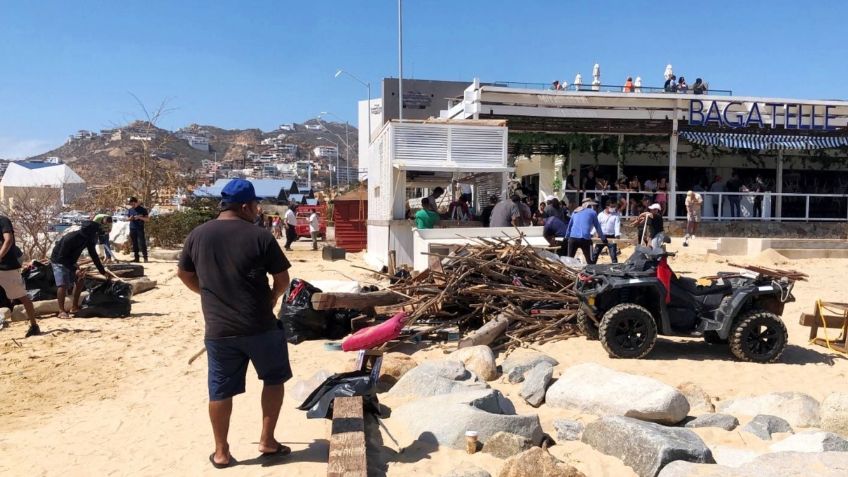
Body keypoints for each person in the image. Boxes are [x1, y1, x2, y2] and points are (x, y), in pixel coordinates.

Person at [176, 179, 293, 469]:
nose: (257, 210)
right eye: (255, 205)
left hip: (219, 330)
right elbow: (282, 281)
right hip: (260, 325)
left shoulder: (197, 235)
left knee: (220, 390)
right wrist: (271, 300)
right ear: (245, 206)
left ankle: (221, 452)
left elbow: (184, 274)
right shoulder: (260, 236)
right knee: (274, 379)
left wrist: (208, 293)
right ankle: (267, 440)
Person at [50, 220, 115, 319]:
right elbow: (61, 258)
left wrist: (102, 271)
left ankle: (74, 306)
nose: (97, 235)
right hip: (59, 260)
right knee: (63, 285)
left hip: (70, 261)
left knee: (80, 280)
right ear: (90, 232)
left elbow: (94, 255)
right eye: (96, 232)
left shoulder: (89, 239)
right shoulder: (70, 238)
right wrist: (74, 269)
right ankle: (61, 311)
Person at [0, 214, 40, 337]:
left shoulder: (3, 221)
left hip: (6, 267)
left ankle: (34, 325)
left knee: (21, 296)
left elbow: (8, 240)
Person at [564, 198, 607, 264]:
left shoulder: (575, 211)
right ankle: (591, 270)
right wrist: (603, 238)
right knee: (590, 261)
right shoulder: (593, 212)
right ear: (589, 205)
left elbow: (570, 226)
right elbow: (597, 226)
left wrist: (566, 237)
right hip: (585, 239)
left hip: (573, 238)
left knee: (569, 260)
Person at [127, 197, 149, 263]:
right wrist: (130, 218)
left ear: (136, 202)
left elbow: (147, 219)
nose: (132, 205)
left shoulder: (143, 209)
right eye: (130, 204)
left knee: (142, 243)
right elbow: (127, 218)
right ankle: (136, 259)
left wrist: (139, 217)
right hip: (132, 228)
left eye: (132, 203)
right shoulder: (130, 210)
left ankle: (145, 258)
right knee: (134, 244)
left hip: (140, 228)